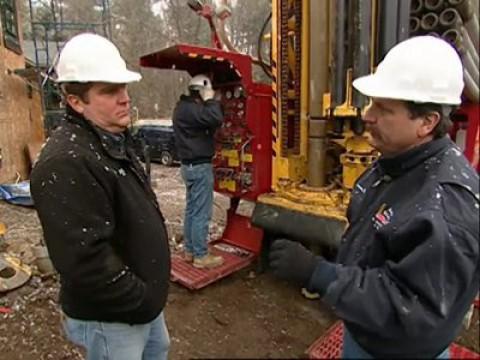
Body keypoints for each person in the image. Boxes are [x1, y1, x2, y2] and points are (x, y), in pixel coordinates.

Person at [269, 35, 479, 359]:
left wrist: (321, 274)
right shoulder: (396, 163)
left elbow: (411, 310)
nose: (367, 115)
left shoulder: (445, 206)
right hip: (366, 333)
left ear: (427, 122)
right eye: (371, 103)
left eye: (383, 108)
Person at [30, 33, 170, 360]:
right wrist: (141, 298)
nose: (124, 98)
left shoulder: (110, 138)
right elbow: (85, 262)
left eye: (123, 87)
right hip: (113, 319)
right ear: (76, 101)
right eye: (109, 91)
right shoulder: (67, 161)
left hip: (142, 309)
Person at [172, 74, 224, 269]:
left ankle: (190, 251)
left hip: (188, 166)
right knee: (201, 213)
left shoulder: (182, 108)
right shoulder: (192, 109)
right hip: (200, 167)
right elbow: (216, 118)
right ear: (201, 91)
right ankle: (201, 256)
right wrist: (211, 100)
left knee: (192, 211)